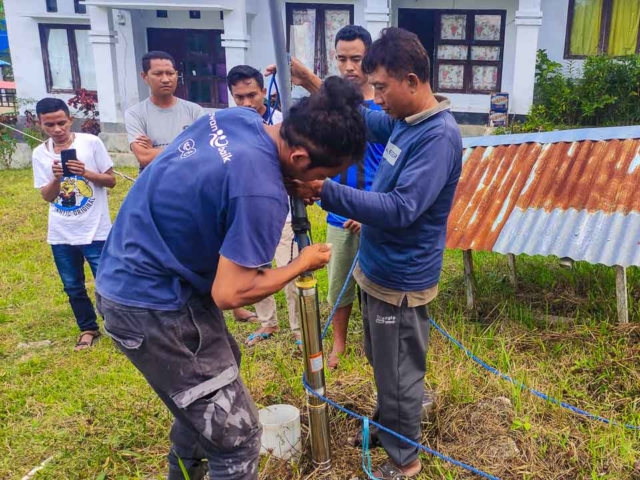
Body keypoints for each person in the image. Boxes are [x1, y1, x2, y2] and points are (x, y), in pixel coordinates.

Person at [95, 77, 366, 480]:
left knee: (217, 382)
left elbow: (225, 178)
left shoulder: (238, 119)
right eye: (326, 174)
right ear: (300, 159)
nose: (318, 186)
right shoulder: (260, 193)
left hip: (131, 270)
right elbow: (230, 292)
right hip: (154, 305)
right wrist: (300, 263)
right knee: (236, 437)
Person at [281, 28, 463, 479]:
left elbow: (402, 209)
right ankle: (392, 422)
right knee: (383, 361)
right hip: (378, 271)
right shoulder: (404, 120)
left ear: (412, 81)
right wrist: (310, 84)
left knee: (398, 373)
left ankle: (405, 462)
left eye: (381, 87)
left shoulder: (436, 137)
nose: (376, 97)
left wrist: (328, 191)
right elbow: (360, 116)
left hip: (401, 281)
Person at [225, 64, 301, 348]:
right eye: (239, 97)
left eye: (252, 95)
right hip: (246, 213)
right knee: (254, 270)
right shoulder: (229, 124)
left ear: (264, 94)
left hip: (283, 212)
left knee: (291, 270)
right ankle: (268, 322)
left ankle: (298, 330)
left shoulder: (283, 122)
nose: (246, 103)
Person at [31, 98, 116, 351]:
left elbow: (110, 181)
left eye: (61, 122)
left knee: (108, 282)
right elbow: (47, 196)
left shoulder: (91, 143)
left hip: (96, 229)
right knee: (72, 285)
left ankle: (118, 326)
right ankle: (88, 328)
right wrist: (57, 179)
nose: (57, 129)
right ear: (40, 124)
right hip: (61, 234)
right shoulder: (39, 154)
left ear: (70, 119)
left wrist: (85, 172)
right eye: (49, 125)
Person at [324, 25, 385, 369]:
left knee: (377, 286)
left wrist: (371, 211)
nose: (349, 67)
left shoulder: (383, 106)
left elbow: (395, 166)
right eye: (342, 59)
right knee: (339, 284)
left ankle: (374, 346)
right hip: (338, 213)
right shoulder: (330, 106)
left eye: (356, 59)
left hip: (376, 213)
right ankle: (338, 346)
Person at [125, 51, 204, 172]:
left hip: (189, 181)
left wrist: (153, 151)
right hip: (154, 183)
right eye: (158, 74)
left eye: (170, 73)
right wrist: (187, 149)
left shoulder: (194, 111)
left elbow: (203, 151)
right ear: (144, 77)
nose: (166, 79)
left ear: (176, 75)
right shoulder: (135, 114)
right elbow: (144, 157)